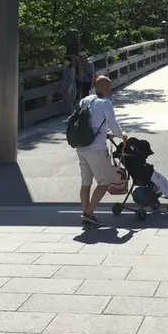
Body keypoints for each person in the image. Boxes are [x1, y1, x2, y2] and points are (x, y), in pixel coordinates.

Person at [76, 75, 124, 226]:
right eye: (109, 87)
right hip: (96, 148)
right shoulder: (105, 103)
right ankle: (89, 212)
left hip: (81, 146)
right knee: (104, 182)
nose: (110, 90)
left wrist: (105, 132)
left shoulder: (85, 100)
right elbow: (114, 125)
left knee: (86, 183)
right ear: (104, 88)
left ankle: (86, 215)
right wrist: (122, 135)